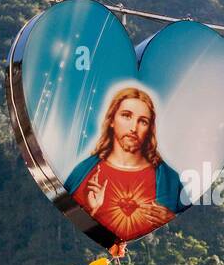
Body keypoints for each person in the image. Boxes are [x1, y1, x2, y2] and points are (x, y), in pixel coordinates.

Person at [65, 87, 186, 241]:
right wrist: (91, 212)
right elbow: (65, 231)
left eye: (143, 121)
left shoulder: (169, 180)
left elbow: (190, 233)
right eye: (126, 116)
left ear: (150, 129)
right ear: (111, 121)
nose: (133, 128)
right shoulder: (83, 174)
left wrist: (172, 220)